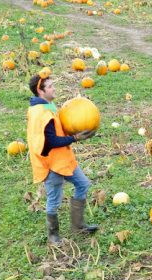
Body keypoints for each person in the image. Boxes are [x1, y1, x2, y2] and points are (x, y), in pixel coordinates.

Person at [26, 74, 97, 246]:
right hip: (51, 164)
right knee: (54, 201)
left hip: (64, 159)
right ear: (40, 91)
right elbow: (51, 141)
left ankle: (78, 225)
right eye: (50, 86)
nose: (54, 88)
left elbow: (57, 131)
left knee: (83, 184)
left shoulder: (46, 107)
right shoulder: (42, 113)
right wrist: (74, 138)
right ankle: (53, 236)